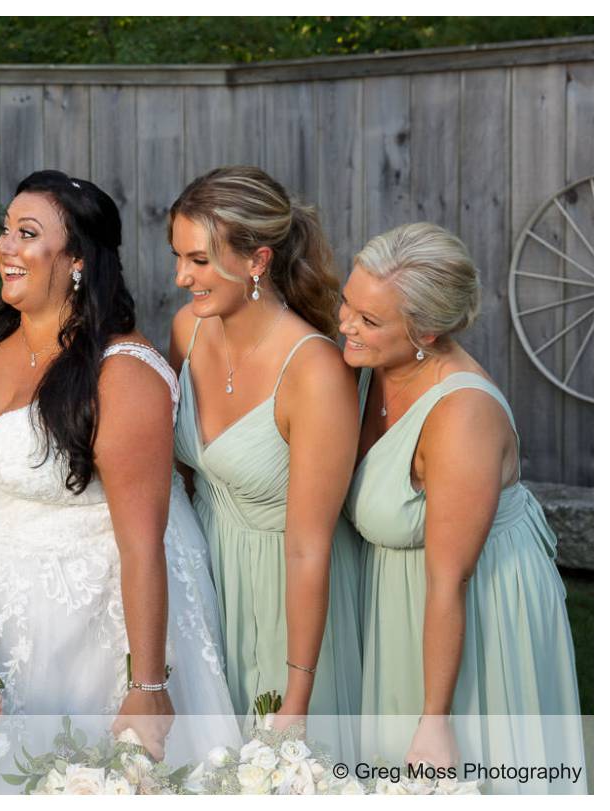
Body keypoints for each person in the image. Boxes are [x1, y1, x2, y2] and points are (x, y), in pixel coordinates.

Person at [0, 170, 240, 770]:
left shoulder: (121, 373)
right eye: (6, 230)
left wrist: (148, 685)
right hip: (5, 614)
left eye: (28, 233)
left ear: (77, 258)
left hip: (91, 630)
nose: (6, 246)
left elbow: (143, 543)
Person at [339, 222, 585, 792]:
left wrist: (434, 720)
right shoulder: (369, 365)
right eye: (347, 303)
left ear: (426, 331)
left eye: (369, 320)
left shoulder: (462, 417)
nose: (345, 324)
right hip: (406, 598)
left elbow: (450, 580)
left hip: (472, 608)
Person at [168, 166, 363, 763]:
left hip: (286, 596)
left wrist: (298, 697)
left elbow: (310, 546)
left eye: (198, 261)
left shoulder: (315, 371)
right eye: (179, 257)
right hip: (204, 578)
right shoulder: (188, 331)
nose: (181, 278)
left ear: (257, 260)